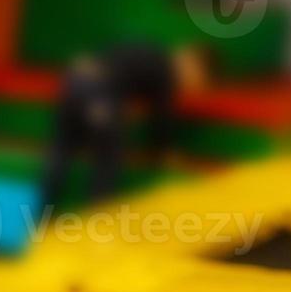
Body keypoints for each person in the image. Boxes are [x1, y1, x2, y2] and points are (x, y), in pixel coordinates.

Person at [41, 42, 210, 204]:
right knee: (108, 155)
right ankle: (96, 216)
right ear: (191, 64)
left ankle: (44, 209)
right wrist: (164, 150)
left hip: (75, 82)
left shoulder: (148, 53)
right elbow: (161, 117)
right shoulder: (164, 69)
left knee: (63, 146)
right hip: (99, 93)